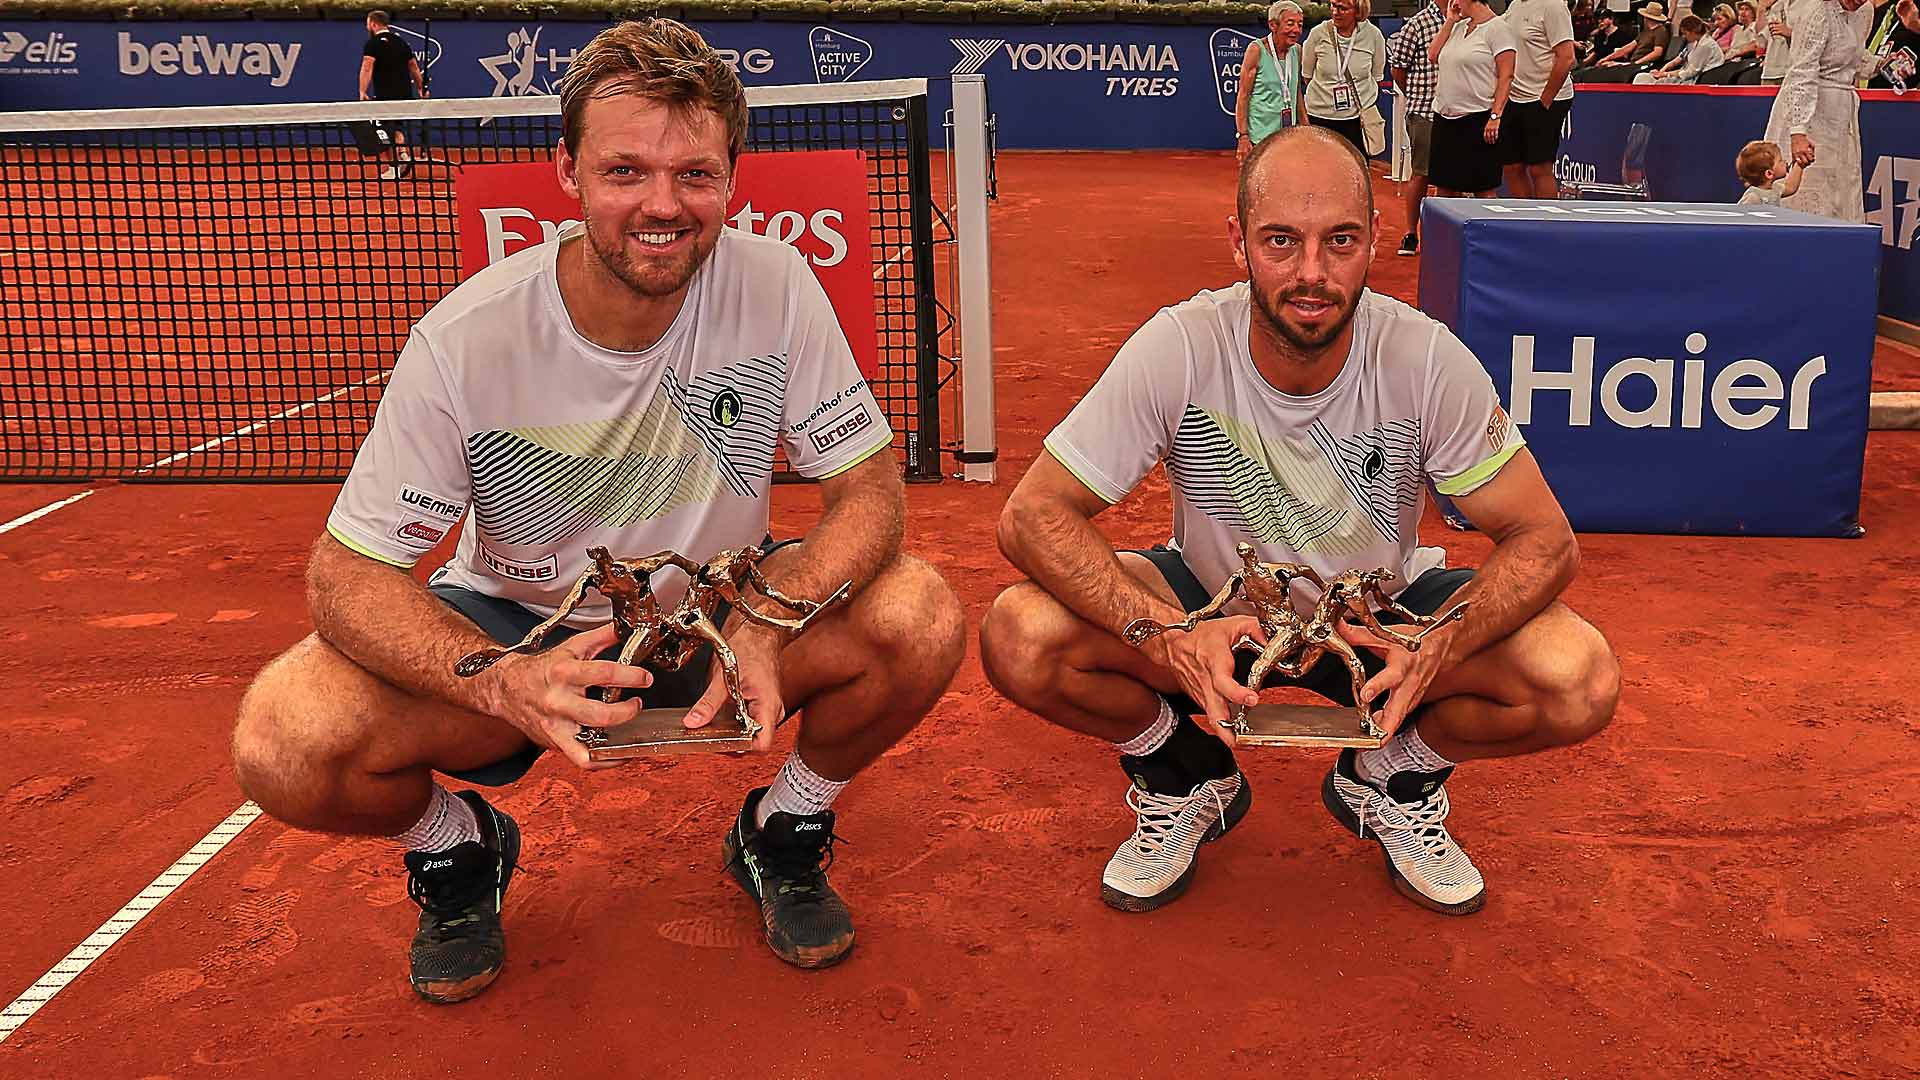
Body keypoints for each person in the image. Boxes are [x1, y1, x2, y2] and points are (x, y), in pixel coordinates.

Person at [232, 18, 966, 1003]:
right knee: (283, 737)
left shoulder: (778, 284)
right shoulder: (464, 340)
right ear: (568, 174)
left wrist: (767, 617)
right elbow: (344, 576)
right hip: (521, 634)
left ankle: (782, 828)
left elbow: (868, 491)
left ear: (733, 178)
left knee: (920, 617)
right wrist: (500, 682)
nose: (663, 206)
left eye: (695, 174)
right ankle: (458, 852)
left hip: (713, 619)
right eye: (626, 171)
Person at [979, 127, 1618, 918]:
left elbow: (1545, 539)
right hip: (1219, 615)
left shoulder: (1425, 358)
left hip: (1379, 625)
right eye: (1281, 241)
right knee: (1021, 634)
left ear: (1376, 240)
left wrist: (1439, 642)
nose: (1311, 273)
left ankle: (1391, 776)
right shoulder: (1179, 345)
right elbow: (1032, 516)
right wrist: (1166, 634)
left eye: (1340, 241)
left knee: (1577, 677)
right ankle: (1183, 770)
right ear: (1239, 242)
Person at [1762, 0, 1881, 220]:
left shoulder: (1864, 12)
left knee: (1842, 189)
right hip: (1810, 111)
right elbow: (1802, 72)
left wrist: (1881, 64)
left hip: (1842, 113)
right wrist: (1798, 131)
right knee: (1810, 187)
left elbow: (1851, 59)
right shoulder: (1816, 11)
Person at [1429, 0, 1518, 197]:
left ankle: (1487, 228)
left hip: (1478, 119)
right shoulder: (1458, 26)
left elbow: (1506, 76)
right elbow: (1433, 55)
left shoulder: (1498, 29)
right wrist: (1450, 21)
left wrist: (1495, 117)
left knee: (1483, 189)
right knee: (1444, 187)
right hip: (1445, 118)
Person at [1388, 0, 1449, 255]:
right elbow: (1398, 68)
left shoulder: (1468, 20)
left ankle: (1446, 236)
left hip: (1456, 113)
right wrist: (1417, 96)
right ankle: (1411, 233)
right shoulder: (1417, 23)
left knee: (1450, 178)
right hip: (1424, 110)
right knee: (1421, 173)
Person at [1502, 0, 1578, 198]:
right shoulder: (1515, 5)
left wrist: (1545, 100)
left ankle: (1547, 224)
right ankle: (1524, 220)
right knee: (1511, 166)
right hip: (1515, 96)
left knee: (1539, 168)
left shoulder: (1553, 6)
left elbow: (1567, 58)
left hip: (1546, 97)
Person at [1303, 0, 1390, 154]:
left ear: (1358, 11)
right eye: (1333, 5)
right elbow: (1307, 75)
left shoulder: (1373, 35)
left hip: (1357, 120)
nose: (1335, 12)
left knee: (1357, 171)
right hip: (1319, 117)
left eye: (1342, 8)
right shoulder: (1318, 33)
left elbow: (1376, 76)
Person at [1237, 1, 1309, 162]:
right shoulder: (1256, 50)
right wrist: (1243, 136)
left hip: (1287, 139)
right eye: (1290, 24)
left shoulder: (1297, 50)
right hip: (1259, 139)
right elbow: (1243, 95)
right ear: (1273, 25)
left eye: (1300, 24)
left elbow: (1296, 93)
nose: (1296, 30)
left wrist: (1306, 128)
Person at [360, 10, 427, 181]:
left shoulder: (373, 43)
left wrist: (362, 91)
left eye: (368, 23)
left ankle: (394, 165)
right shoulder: (401, 42)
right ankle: (402, 154)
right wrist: (421, 88)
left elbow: (367, 66)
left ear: (373, 24)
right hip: (404, 92)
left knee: (382, 129)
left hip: (384, 93)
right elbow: (413, 67)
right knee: (395, 126)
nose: (366, 26)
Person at [1635, 14, 1728, 81]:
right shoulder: (1694, 42)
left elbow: (1689, 73)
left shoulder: (1705, 45)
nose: (1683, 37)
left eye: (1685, 33)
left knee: (1643, 79)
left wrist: (1665, 75)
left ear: (1692, 31)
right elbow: (1679, 58)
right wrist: (1661, 71)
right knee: (1642, 76)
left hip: (1694, 81)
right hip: (1685, 77)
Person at [1595, 2, 1674, 68]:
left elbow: (1657, 53)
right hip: (1633, 63)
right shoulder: (1646, 30)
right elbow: (1629, 46)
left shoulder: (1661, 31)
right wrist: (1607, 58)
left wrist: (1634, 64)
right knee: (1604, 65)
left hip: (1644, 65)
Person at [1863, 0, 1920, 90]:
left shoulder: (1912, 8)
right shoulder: (1881, 10)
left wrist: (1916, 26)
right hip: (1865, 98)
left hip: (1906, 100)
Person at [1736, 138, 1806, 202]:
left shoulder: (1775, 189)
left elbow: (1791, 187)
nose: (1785, 162)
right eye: (1780, 161)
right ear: (1769, 173)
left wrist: (1799, 164)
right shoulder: (1753, 197)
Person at [1760, 0, 1799, 83]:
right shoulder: (1775, 6)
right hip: (1770, 72)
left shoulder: (1809, 4)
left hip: (1794, 71)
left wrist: (1791, 33)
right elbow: (1761, 41)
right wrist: (1761, 8)